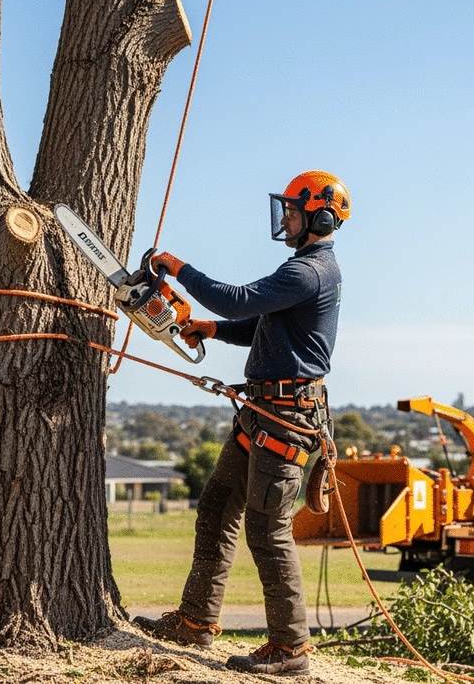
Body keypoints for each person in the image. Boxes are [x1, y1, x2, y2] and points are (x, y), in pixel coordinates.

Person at [133, 170, 350, 676]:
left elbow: (236, 299)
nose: (286, 218)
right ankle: (196, 619)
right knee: (214, 507)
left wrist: (177, 267)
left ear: (318, 215)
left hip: (284, 419)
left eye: (294, 210)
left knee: (267, 530)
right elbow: (257, 323)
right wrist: (211, 328)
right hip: (262, 413)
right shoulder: (304, 269)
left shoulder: (309, 272)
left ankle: (290, 649)